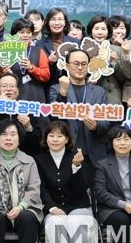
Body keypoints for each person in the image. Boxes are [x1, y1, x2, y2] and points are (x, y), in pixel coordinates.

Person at [35, 121, 96, 243]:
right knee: (56, 225)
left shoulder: (78, 156)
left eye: (60, 136)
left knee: (78, 222)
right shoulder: (39, 160)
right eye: (51, 135)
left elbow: (82, 188)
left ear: (67, 139)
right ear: (46, 138)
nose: (55, 139)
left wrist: (76, 167)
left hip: (78, 205)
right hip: (54, 208)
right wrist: (51, 208)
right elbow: (40, 188)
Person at [48, 49, 111, 177]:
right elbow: (54, 118)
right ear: (67, 66)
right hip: (67, 152)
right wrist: (63, 93)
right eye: (76, 63)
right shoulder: (56, 89)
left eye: (84, 64)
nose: (80, 67)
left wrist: (96, 126)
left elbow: (107, 123)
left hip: (94, 154)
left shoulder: (99, 92)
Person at [0, 72, 44, 157]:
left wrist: (28, 127)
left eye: (12, 86)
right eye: (4, 86)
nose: (8, 89)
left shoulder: (27, 109)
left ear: (18, 91)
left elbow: (36, 141)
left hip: (22, 158)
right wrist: (0, 107)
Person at [36, 7, 80, 91]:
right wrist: (49, 63)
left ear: (65, 22)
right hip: (49, 87)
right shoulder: (40, 44)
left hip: (72, 87)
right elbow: (38, 70)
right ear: (48, 23)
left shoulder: (75, 43)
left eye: (60, 19)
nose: (56, 23)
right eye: (53, 19)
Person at [8, 18, 50, 103]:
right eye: (22, 32)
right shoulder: (7, 52)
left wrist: (31, 68)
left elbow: (46, 76)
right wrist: (6, 74)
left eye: (28, 32)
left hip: (36, 98)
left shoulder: (39, 51)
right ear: (14, 34)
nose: (25, 35)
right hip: (13, 98)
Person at [86, 15, 123, 106]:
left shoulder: (117, 50)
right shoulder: (84, 50)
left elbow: (122, 78)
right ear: (91, 31)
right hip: (91, 95)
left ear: (108, 31)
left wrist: (115, 62)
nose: (100, 32)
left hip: (112, 98)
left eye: (103, 29)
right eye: (96, 29)